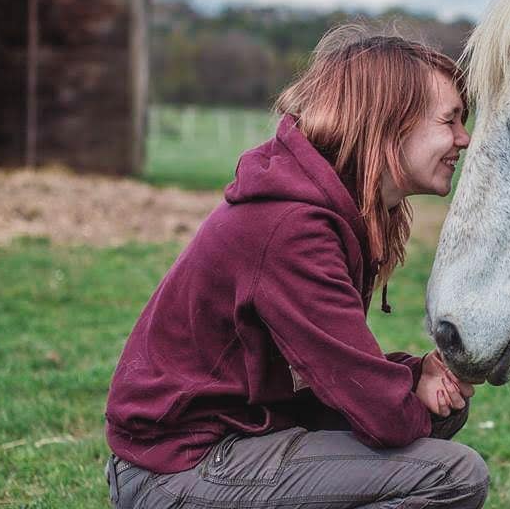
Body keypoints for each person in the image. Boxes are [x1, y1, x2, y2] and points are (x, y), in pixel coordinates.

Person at [103, 27, 487, 509]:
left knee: (438, 412)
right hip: (178, 467)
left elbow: (325, 367)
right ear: (390, 122)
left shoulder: (331, 210)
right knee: (452, 475)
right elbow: (384, 417)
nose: (464, 138)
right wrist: (404, 393)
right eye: (449, 120)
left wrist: (415, 377)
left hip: (238, 431)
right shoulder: (293, 227)